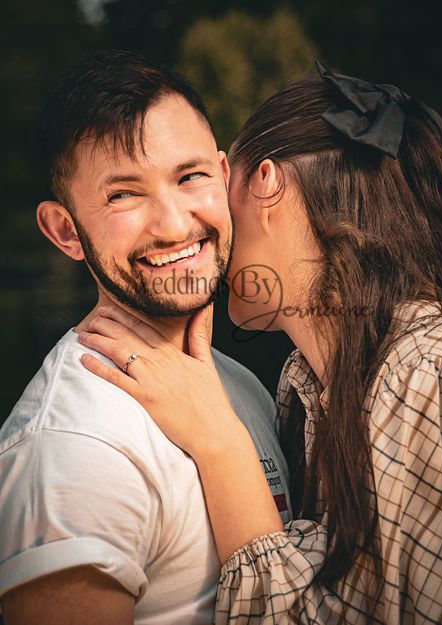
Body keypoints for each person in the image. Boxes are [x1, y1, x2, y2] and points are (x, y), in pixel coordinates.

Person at [76, 62, 442, 624]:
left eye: (211, 185)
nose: (192, 228)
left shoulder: (427, 370)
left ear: (266, 183)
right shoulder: (307, 381)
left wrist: (219, 443)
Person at [0, 50, 292, 625]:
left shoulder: (241, 385)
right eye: (123, 195)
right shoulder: (70, 446)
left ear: (226, 175)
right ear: (66, 231)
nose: (176, 224)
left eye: (190, 177)